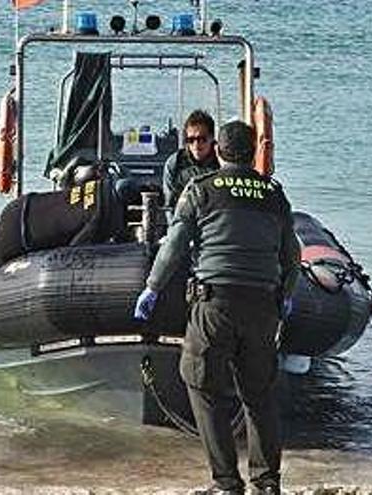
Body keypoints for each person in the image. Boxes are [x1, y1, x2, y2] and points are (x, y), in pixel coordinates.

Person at [134, 121, 299, 495]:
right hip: (262, 305)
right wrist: (285, 294)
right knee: (259, 396)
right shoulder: (274, 194)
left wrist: (152, 287)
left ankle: (227, 482)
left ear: (219, 151)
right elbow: (292, 252)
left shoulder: (200, 191)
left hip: (215, 303)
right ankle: (267, 483)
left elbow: (174, 246)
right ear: (254, 149)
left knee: (202, 384)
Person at [163, 109, 220, 211]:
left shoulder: (222, 161)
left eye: (202, 139)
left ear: (212, 138)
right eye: (191, 140)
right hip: (184, 219)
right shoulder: (175, 163)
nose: (196, 145)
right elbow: (170, 206)